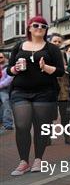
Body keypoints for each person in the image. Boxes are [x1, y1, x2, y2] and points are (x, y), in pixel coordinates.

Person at [7, 17, 64, 175]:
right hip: (20, 91)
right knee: (22, 126)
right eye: (36, 25)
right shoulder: (18, 46)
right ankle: (23, 161)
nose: (40, 27)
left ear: (46, 30)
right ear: (30, 28)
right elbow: (9, 69)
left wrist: (45, 67)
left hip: (44, 92)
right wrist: (15, 69)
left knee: (40, 127)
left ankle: (38, 159)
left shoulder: (52, 48)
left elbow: (60, 71)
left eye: (43, 26)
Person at [49, 33, 70, 144]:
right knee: (48, 115)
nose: (57, 43)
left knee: (65, 115)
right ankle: (47, 137)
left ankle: (67, 137)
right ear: (50, 41)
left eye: (59, 42)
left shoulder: (64, 55)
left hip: (63, 89)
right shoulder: (45, 53)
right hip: (49, 88)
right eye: (54, 41)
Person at [0, 52, 14, 131]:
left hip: (4, 90)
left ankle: (7, 124)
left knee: (6, 106)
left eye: (1, 57)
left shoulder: (8, 67)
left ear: (4, 58)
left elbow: (9, 79)